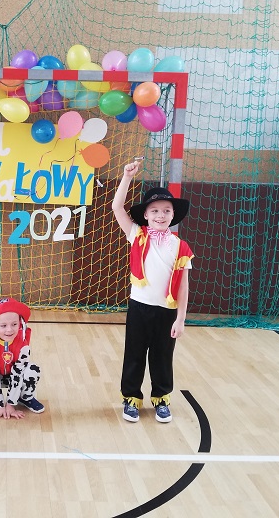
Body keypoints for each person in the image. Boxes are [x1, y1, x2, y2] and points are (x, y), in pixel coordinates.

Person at [111, 160, 194, 424]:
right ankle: (131, 399)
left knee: (162, 358)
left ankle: (161, 399)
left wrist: (180, 318)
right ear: (146, 215)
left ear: (173, 215)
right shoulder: (137, 234)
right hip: (139, 307)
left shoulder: (180, 247)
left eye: (166, 210)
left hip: (167, 312)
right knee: (134, 355)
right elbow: (117, 207)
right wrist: (127, 177)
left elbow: (183, 285)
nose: (160, 215)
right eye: (155, 210)